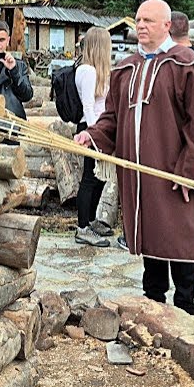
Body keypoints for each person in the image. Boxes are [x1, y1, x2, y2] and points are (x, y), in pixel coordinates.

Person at [74, 0, 194, 314]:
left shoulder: (187, 65)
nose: (141, 25)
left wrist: (188, 171)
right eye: (138, 20)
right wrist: (92, 136)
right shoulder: (126, 68)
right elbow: (111, 119)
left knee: (179, 237)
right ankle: (153, 304)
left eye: (148, 20)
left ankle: (185, 308)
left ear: (167, 25)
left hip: (174, 171)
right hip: (138, 173)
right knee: (150, 234)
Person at [72, 27, 113, 247]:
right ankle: (82, 228)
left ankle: (91, 219)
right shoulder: (87, 70)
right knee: (89, 177)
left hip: (99, 129)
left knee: (100, 177)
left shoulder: (97, 70)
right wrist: (94, 133)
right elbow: (88, 106)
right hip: (91, 128)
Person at [0, 19, 35, 120]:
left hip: (13, 122)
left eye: (1, 40)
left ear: (8, 40)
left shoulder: (19, 65)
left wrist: (13, 71)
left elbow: (27, 96)